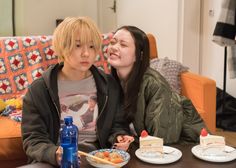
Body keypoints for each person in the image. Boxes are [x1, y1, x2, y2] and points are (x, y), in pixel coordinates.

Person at [21, 17, 131, 166]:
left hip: (97, 158)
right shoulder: (39, 90)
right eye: (78, 45)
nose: (86, 53)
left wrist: (120, 137)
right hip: (55, 161)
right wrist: (55, 154)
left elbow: (117, 124)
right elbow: (33, 139)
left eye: (92, 46)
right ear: (62, 47)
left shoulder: (109, 85)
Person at [107, 25, 207, 145]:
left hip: (184, 147)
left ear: (139, 55)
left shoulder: (155, 85)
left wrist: (131, 144)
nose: (114, 47)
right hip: (144, 148)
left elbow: (161, 139)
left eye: (123, 45)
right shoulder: (112, 81)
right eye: (113, 42)